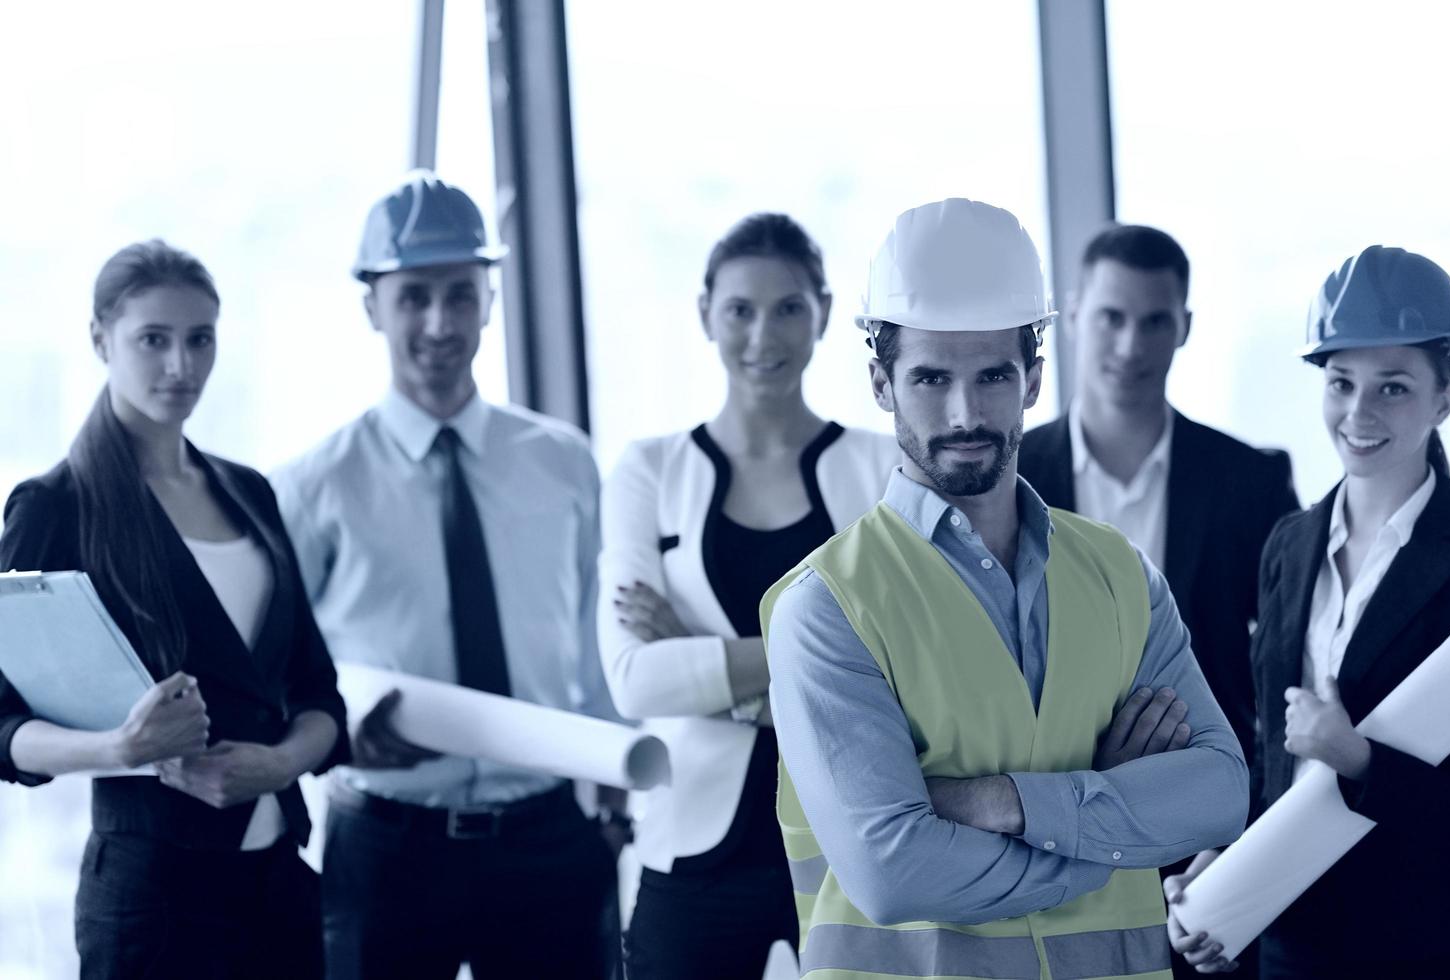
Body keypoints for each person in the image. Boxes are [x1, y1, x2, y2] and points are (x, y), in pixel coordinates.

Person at [762, 199, 1249, 980]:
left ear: (1032, 380)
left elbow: (1220, 792)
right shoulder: (826, 606)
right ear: (881, 384)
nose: (965, 413)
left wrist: (994, 802)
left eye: (992, 375)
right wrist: (1109, 830)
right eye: (930, 379)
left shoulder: (1120, 575)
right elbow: (893, 875)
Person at [271, 171, 622, 979]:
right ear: (372, 307)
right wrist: (333, 733)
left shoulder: (561, 462)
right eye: (414, 296)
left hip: (548, 837)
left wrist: (612, 798)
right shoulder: (312, 485)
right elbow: (278, 664)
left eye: (461, 295)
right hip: (388, 842)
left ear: (490, 300)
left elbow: (591, 640)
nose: (439, 322)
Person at [0, 240, 349, 978]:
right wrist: (119, 751)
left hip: (280, 878)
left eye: (200, 339)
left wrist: (282, 761)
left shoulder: (249, 492)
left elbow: (319, 693)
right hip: (154, 894)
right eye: (152, 340)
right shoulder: (56, 507)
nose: (180, 367)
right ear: (101, 340)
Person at [599, 213, 897, 979]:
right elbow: (636, 680)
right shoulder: (649, 471)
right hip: (692, 853)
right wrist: (823, 659)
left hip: (854, 847)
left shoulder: (879, 466)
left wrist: (705, 665)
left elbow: (909, 669)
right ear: (705, 313)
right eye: (740, 309)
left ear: (823, 314)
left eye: (788, 307)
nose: (763, 334)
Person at [1166, 245, 1450, 978]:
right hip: (1291, 938)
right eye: (1341, 384)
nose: (1357, 413)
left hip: (1418, 944)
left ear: (1444, 395)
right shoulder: (1289, 544)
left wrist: (1357, 759)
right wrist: (1229, 863)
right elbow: (1274, 755)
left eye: (1391, 387)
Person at [1019, 224, 1299, 768]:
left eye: (1155, 322)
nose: (1131, 346)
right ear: (1072, 317)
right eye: (1112, 318)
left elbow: (1292, 659)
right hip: (1049, 793)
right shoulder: (1011, 474)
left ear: (1185, 327)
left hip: (1216, 808)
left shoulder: (1251, 480)